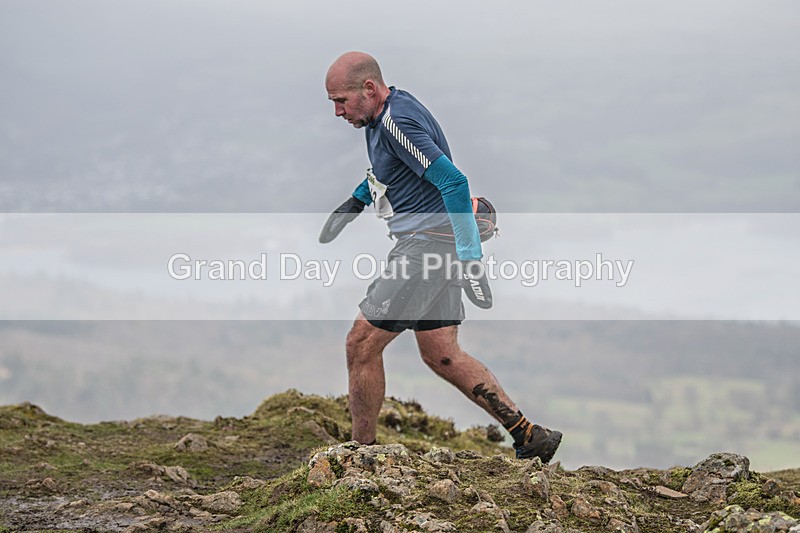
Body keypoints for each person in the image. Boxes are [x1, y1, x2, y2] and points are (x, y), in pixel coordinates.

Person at [320, 51, 561, 462]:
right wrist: (355, 202)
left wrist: (470, 258)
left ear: (369, 88)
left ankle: (359, 457)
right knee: (442, 354)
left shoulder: (398, 123)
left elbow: (453, 182)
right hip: (436, 247)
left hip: (425, 249)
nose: (338, 112)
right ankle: (529, 434)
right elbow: (390, 171)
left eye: (341, 101)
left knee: (360, 345)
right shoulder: (378, 117)